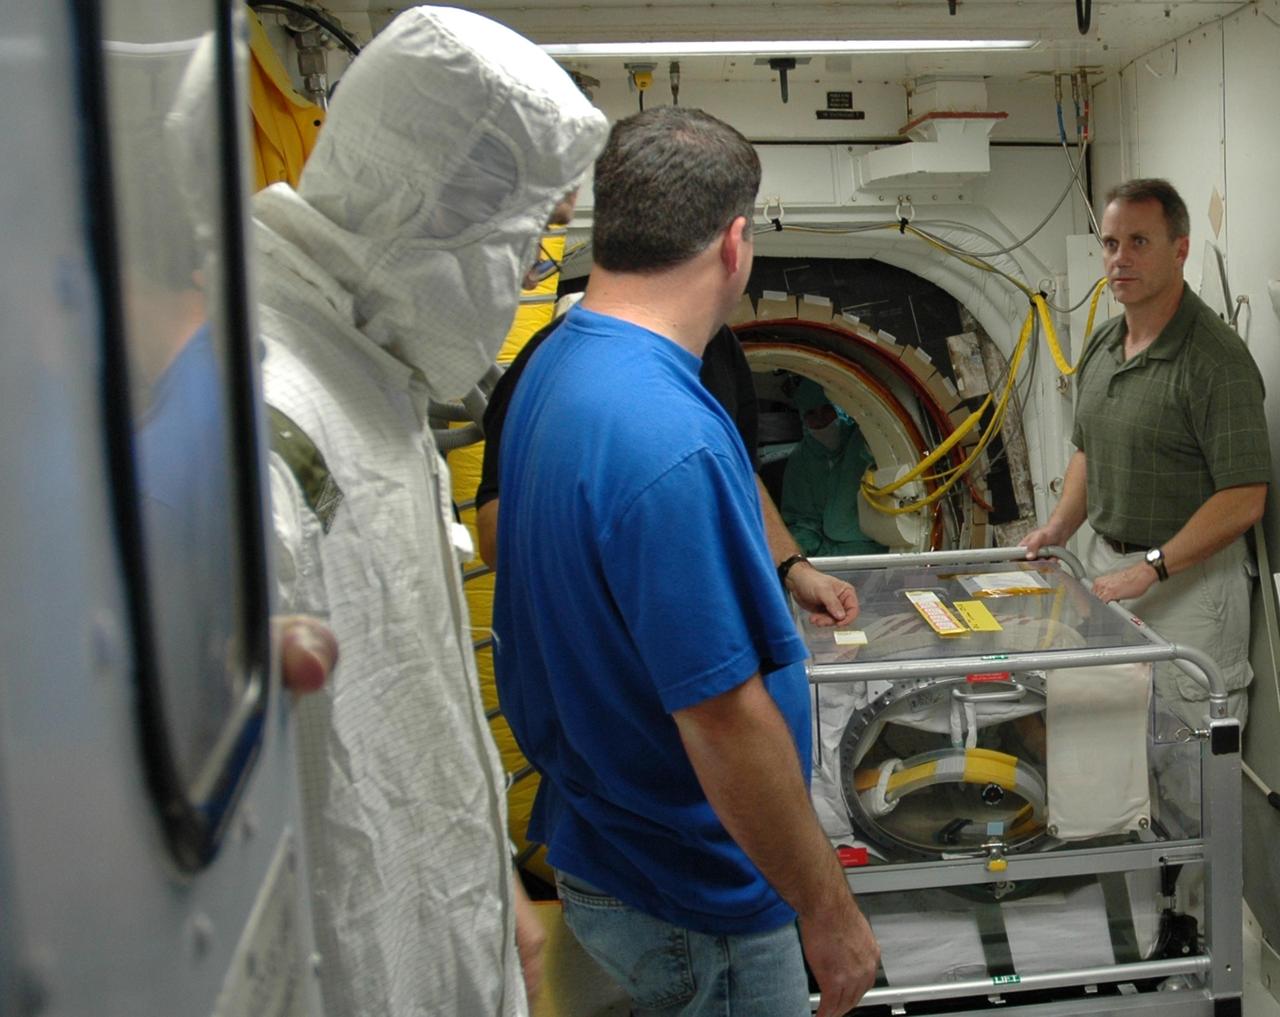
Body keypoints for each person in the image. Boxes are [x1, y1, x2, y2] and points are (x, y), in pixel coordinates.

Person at [254, 8, 609, 1016]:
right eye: (530, 237)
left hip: (447, 930)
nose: (536, 271)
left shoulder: (370, 374)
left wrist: (491, 884)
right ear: (447, 218)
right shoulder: (269, 414)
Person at [492, 107, 880, 1017]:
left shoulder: (560, 366)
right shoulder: (667, 436)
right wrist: (828, 911)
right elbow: (724, 720)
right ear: (735, 244)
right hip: (696, 896)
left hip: (607, 840)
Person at [1022, 178, 1269, 728]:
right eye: (1111, 244)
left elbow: (1244, 499)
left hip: (1190, 585)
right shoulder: (1105, 343)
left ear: (1180, 249)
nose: (1120, 259)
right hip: (1107, 571)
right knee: (1113, 737)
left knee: (1189, 744)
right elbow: (1089, 449)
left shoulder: (1216, 361)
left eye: (1139, 242)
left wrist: (1151, 569)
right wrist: (1058, 529)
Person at [474, 318, 860, 626]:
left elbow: (740, 480)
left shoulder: (719, 347)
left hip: (708, 628)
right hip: (614, 642)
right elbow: (496, 541)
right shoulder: (554, 362)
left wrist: (794, 569)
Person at [781, 377, 887, 557]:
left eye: (827, 410)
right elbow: (800, 519)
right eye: (811, 414)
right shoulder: (802, 459)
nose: (821, 419)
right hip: (829, 556)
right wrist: (805, 551)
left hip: (879, 549)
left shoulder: (862, 441)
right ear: (803, 419)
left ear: (839, 409)